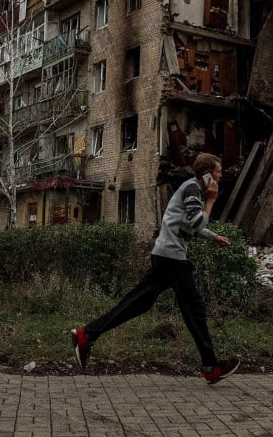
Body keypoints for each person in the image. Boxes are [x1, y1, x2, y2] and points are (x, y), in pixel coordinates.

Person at [70, 152, 240, 384]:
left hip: (166, 255)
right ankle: (210, 366)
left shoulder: (192, 189)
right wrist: (211, 200)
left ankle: (87, 335)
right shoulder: (193, 191)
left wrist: (213, 236)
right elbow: (196, 221)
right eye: (219, 172)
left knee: (140, 302)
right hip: (172, 258)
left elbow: (188, 224)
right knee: (195, 310)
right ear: (208, 175)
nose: (221, 176)